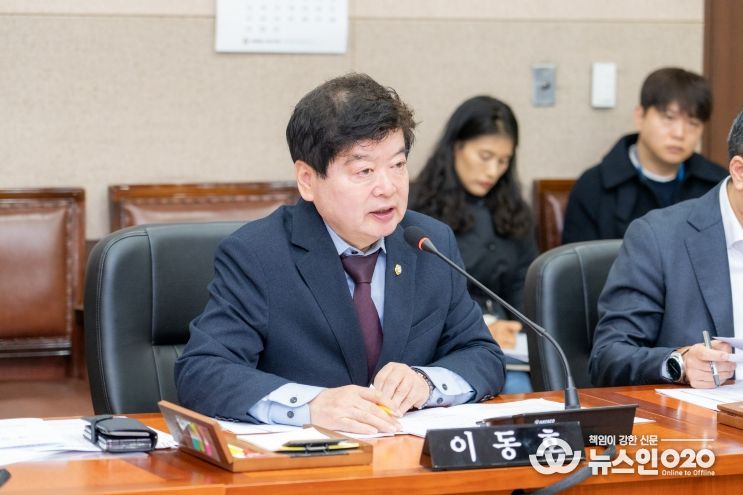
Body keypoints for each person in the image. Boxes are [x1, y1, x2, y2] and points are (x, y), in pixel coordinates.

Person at [175, 74, 505, 434]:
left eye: (397, 165)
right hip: (307, 459)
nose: (388, 187)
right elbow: (202, 372)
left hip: (407, 453)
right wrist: (312, 405)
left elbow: (483, 356)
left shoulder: (428, 243)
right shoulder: (257, 254)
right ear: (307, 179)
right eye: (364, 171)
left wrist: (426, 382)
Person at [589, 107, 743, 388]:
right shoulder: (658, 237)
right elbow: (608, 357)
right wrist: (680, 363)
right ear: (739, 172)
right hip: (698, 412)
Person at [410, 96, 537, 393]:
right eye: (485, 156)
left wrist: (521, 328)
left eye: (503, 161)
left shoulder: (515, 209)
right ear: (456, 146)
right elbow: (422, 297)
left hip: (511, 347)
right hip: (449, 344)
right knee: (515, 388)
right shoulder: (417, 209)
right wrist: (485, 326)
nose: (493, 171)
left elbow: (523, 287)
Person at [562, 67, 727, 244]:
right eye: (668, 118)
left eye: (693, 123)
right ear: (640, 116)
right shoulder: (594, 186)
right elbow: (581, 260)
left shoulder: (718, 185)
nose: (679, 134)